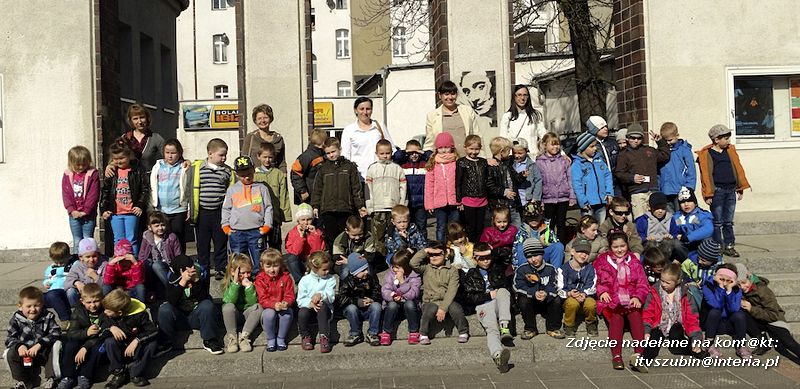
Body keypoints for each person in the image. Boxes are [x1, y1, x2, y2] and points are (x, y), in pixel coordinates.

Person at [594, 232, 649, 371]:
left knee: (635, 315)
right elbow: (597, 280)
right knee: (616, 318)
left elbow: (642, 284)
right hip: (612, 299)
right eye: (616, 247)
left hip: (630, 298)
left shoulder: (634, 262)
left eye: (622, 246)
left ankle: (639, 355)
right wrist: (602, 291)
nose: (619, 250)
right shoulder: (602, 261)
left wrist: (637, 297)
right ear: (610, 247)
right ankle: (616, 356)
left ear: (627, 245)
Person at [696, 124, 751, 257]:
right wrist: (708, 194)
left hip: (731, 190)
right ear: (716, 140)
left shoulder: (730, 151)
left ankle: (729, 245)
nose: (728, 141)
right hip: (717, 192)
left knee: (728, 221)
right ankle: (717, 245)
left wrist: (740, 188)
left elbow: (738, 169)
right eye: (725, 138)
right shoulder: (707, 154)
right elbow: (706, 176)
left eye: (728, 138)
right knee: (717, 221)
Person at [185, 138, 234, 280]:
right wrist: (190, 208)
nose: (224, 158)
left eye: (225, 155)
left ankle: (220, 267)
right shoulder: (198, 168)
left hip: (219, 212)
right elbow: (190, 189)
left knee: (220, 241)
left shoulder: (227, 171)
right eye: (221, 155)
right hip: (202, 212)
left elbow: (229, 190)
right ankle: (203, 267)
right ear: (210, 153)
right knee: (202, 243)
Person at [460, 243, 513, 373]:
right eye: (482, 258)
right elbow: (469, 298)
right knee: (492, 330)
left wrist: (491, 251)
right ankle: (498, 355)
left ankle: (505, 327)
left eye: (488, 257)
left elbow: (507, 254)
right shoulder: (471, 274)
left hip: (500, 303)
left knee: (503, 291)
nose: (485, 261)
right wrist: (488, 295)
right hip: (483, 305)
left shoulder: (497, 267)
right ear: (475, 259)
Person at [157, 255, 223, 355]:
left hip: (197, 317)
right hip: (179, 318)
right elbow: (171, 301)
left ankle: (209, 340)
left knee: (207, 305)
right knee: (164, 309)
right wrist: (182, 282)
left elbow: (204, 298)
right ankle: (165, 341)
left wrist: (195, 281)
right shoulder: (172, 279)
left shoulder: (199, 274)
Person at [641, 263, 708, 362]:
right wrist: (646, 331)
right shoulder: (654, 292)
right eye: (662, 280)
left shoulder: (686, 295)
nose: (663, 284)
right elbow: (647, 313)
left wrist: (696, 338)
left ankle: (694, 350)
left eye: (667, 283)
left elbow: (692, 318)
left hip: (677, 325)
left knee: (676, 340)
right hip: (659, 326)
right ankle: (643, 360)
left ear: (677, 282)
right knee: (654, 339)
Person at [736, 263, 800, 364]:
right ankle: (763, 343)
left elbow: (773, 315)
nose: (742, 287)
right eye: (738, 285)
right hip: (759, 319)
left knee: (787, 343)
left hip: (774, 320)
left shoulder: (763, 290)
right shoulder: (740, 290)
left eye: (744, 282)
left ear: (749, 276)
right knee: (741, 314)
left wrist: (751, 308)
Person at [311, 137, 367, 250]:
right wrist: (315, 206)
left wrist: (360, 206)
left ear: (339, 150)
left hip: (345, 208)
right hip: (328, 209)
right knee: (330, 237)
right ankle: (333, 260)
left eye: (333, 151)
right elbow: (317, 189)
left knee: (344, 236)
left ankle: (345, 258)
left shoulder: (349, 167)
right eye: (328, 153)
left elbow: (356, 188)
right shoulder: (323, 169)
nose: (331, 155)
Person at [411, 241, 470, 345]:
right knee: (430, 309)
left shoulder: (452, 270)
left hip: (447, 301)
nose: (434, 257)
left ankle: (463, 331)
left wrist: (443, 308)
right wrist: (425, 251)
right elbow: (413, 263)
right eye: (431, 255)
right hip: (430, 301)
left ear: (445, 254)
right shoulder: (426, 268)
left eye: (438, 254)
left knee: (456, 309)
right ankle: (423, 333)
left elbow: (452, 290)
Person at [222, 155, 273, 273]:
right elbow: (226, 209)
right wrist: (225, 226)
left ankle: (258, 282)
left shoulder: (261, 188)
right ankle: (239, 282)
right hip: (237, 232)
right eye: (242, 174)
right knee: (238, 260)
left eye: (249, 173)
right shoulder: (232, 190)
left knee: (258, 259)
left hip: (257, 231)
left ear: (253, 170)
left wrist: (267, 225)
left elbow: (268, 208)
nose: (246, 177)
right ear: (236, 174)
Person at [5, 286, 62, 389]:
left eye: (36, 305)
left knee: (55, 345)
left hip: (42, 352)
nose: (33, 309)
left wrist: (40, 344)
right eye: (29, 306)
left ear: (42, 305)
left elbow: (56, 332)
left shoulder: (48, 316)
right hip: (25, 354)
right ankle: (24, 381)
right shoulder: (16, 319)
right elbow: (10, 338)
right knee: (10, 353)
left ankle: (51, 378)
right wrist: (20, 346)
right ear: (20, 306)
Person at [100, 289, 159, 388]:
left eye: (108, 311)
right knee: (109, 342)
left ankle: (136, 373)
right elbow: (102, 322)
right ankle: (119, 373)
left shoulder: (140, 314)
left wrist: (137, 340)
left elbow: (153, 331)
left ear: (119, 313)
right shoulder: (108, 312)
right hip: (120, 346)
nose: (105, 312)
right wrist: (110, 327)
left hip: (136, 347)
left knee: (152, 344)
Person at [100, 142, 149, 256]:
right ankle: (120, 263)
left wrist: (140, 205)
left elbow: (144, 189)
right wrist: (104, 209)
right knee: (118, 240)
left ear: (129, 155)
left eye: (122, 158)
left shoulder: (136, 170)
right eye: (115, 159)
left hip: (131, 212)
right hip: (115, 213)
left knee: (131, 239)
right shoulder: (112, 172)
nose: (119, 161)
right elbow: (105, 191)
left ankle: (134, 263)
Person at [614, 125, 671, 219]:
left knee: (655, 220)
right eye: (633, 138)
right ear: (627, 138)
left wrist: (660, 142)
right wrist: (632, 178)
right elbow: (619, 173)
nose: (636, 141)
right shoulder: (624, 155)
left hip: (653, 191)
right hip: (637, 193)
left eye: (639, 138)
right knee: (641, 220)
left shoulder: (649, 151)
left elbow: (665, 155)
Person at [514, 238, 563, 340]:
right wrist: (533, 293)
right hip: (531, 301)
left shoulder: (550, 269)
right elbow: (517, 286)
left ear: (542, 254)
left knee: (556, 300)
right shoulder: (522, 269)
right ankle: (530, 329)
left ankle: (552, 328)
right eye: (529, 257)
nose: (533, 259)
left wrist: (546, 293)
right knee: (522, 300)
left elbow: (554, 285)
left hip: (546, 301)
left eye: (536, 255)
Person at [57, 283, 104, 389]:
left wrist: (85, 347)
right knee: (70, 345)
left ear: (102, 299)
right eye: (89, 302)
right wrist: (86, 333)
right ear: (82, 302)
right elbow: (71, 333)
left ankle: (85, 376)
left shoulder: (105, 311)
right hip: (82, 339)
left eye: (96, 301)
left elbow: (105, 333)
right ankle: (68, 377)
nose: (93, 305)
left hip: (97, 341)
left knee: (97, 348)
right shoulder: (78, 311)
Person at [366, 139, 407, 258]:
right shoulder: (372, 168)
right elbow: (368, 189)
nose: (385, 156)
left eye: (387, 153)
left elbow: (403, 187)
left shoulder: (397, 168)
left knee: (394, 234)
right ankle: (380, 258)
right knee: (378, 235)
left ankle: (396, 257)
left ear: (391, 153)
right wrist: (370, 206)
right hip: (378, 208)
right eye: (382, 153)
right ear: (377, 154)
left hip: (393, 208)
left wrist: (402, 205)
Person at [149, 139, 188, 253]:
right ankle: (165, 258)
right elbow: (153, 185)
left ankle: (180, 260)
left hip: (178, 208)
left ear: (180, 153)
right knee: (163, 236)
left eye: (173, 153)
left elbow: (187, 187)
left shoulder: (183, 166)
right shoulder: (158, 166)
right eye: (167, 152)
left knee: (178, 236)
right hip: (162, 209)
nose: (170, 156)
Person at [536, 132, 575, 244]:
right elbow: (539, 182)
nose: (555, 147)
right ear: (545, 145)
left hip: (563, 197)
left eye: (557, 144)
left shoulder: (564, 160)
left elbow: (569, 178)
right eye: (552, 144)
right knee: (549, 224)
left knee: (561, 223)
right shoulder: (539, 162)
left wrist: (572, 196)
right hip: (548, 198)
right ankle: (549, 244)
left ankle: (561, 246)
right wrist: (541, 200)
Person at [341, 97, 395, 179]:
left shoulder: (379, 126)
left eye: (368, 109)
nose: (365, 112)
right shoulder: (349, 130)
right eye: (361, 109)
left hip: (381, 174)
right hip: (360, 177)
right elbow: (345, 156)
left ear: (372, 110)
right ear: (356, 110)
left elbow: (392, 148)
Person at [703, 264, 749, 358]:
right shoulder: (708, 286)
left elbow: (734, 308)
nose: (724, 283)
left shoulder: (736, 289)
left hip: (728, 323)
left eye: (728, 281)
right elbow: (716, 305)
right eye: (721, 279)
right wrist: (720, 288)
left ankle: (741, 346)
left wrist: (729, 291)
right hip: (713, 323)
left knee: (739, 315)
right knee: (714, 312)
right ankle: (709, 343)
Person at [220, 253, 262, 354]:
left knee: (258, 307)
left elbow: (253, 303)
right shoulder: (228, 284)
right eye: (241, 273)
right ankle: (233, 338)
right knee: (228, 307)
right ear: (233, 272)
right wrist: (235, 284)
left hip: (247, 315)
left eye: (248, 272)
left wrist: (248, 288)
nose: (246, 276)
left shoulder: (252, 283)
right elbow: (229, 301)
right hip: (234, 316)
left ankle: (244, 337)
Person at [424, 80, 481, 156]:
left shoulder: (467, 111)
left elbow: (477, 135)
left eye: (453, 94)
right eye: (446, 94)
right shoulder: (432, 115)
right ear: (440, 96)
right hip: (445, 160)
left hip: (467, 158)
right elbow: (430, 142)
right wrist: (428, 157)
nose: (450, 97)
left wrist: (483, 158)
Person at [338, 253, 383, 347]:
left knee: (377, 306)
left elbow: (377, 291)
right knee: (351, 308)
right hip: (354, 311)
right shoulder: (347, 282)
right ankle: (355, 333)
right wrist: (357, 302)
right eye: (363, 270)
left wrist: (372, 299)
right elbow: (342, 298)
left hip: (367, 310)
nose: (366, 272)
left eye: (367, 269)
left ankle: (372, 333)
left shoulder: (370, 279)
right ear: (354, 271)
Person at [255, 249, 296, 352]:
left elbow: (290, 294)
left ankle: (281, 338)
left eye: (275, 266)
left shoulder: (286, 278)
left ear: (280, 265)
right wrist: (273, 305)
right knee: (269, 314)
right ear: (262, 265)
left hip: (283, 305)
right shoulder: (260, 279)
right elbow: (262, 298)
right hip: (268, 307)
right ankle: (271, 338)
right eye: (268, 267)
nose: (272, 270)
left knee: (287, 314)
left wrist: (286, 302)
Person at [254, 142, 292, 250]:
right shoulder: (254, 175)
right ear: (258, 157)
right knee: (259, 246)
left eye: (270, 157)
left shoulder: (278, 174)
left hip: (274, 216)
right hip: (259, 217)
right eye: (264, 157)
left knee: (275, 244)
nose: (267, 160)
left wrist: (285, 215)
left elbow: (284, 195)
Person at [557, 238, 598, 337]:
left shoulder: (590, 268)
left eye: (586, 253)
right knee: (572, 304)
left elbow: (592, 285)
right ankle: (569, 325)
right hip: (569, 297)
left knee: (591, 304)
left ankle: (591, 324)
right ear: (572, 251)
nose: (583, 255)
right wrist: (569, 293)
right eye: (580, 251)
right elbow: (560, 288)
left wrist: (584, 293)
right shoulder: (563, 269)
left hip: (586, 296)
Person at [62, 146, 100, 254]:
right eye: (77, 164)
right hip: (73, 214)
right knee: (77, 240)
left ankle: (90, 261)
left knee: (88, 239)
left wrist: (86, 210)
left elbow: (94, 194)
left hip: (88, 214)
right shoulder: (67, 175)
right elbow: (66, 194)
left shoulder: (92, 174)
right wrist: (71, 209)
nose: (80, 167)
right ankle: (76, 263)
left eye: (84, 164)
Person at [297, 251, 336, 353]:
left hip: (324, 311)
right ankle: (305, 336)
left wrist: (321, 295)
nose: (327, 271)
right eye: (324, 270)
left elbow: (331, 297)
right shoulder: (305, 280)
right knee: (302, 312)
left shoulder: (331, 279)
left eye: (328, 269)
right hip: (310, 311)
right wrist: (310, 303)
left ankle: (324, 337)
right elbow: (300, 300)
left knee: (322, 306)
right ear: (315, 268)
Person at [424, 132, 461, 242]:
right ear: (436, 149)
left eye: (446, 147)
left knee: (455, 227)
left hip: (455, 202)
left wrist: (461, 200)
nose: (444, 150)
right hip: (439, 202)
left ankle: (455, 247)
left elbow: (460, 183)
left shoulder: (457, 163)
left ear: (452, 147)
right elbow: (429, 186)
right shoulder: (433, 164)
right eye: (441, 148)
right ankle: (441, 247)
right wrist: (429, 204)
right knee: (441, 227)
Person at [380, 250, 422, 346]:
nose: (395, 269)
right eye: (393, 266)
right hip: (395, 306)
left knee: (410, 304)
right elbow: (385, 290)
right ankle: (386, 332)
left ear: (406, 267)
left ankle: (413, 331)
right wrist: (393, 296)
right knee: (392, 305)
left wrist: (402, 282)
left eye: (397, 267)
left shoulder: (415, 276)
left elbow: (413, 294)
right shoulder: (390, 275)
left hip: (410, 308)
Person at [571, 132, 613, 224]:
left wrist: (609, 193)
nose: (595, 148)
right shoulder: (577, 164)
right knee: (588, 227)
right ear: (583, 148)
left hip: (602, 201)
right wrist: (583, 201)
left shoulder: (599, 160)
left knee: (601, 226)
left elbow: (607, 175)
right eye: (592, 146)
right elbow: (577, 184)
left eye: (595, 145)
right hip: (588, 204)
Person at [455, 135, 490, 243]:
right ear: (465, 148)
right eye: (471, 149)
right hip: (468, 200)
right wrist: (459, 200)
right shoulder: (461, 162)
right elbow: (458, 182)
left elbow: (487, 180)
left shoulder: (483, 162)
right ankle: (470, 246)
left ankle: (478, 246)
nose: (474, 152)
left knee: (480, 226)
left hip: (482, 201)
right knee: (470, 227)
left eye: (476, 149)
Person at [393, 139, 430, 238]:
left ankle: (422, 245)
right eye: (411, 153)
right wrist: (405, 151)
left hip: (421, 203)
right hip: (407, 202)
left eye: (416, 152)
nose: (414, 155)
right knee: (408, 225)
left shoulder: (424, 165)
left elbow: (432, 156)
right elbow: (396, 156)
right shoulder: (403, 164)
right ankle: (409, 245)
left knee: (421, 226)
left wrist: (421, 152)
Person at [657, 122, 696, 212]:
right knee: (669, 217)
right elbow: (658, 171)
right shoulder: (662, 151)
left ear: (677, 136)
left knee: (681, 215)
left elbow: (691, 170)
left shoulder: (684, 150)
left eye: (670, 140)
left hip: (681, 189)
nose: (668, 143)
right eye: (665, 140)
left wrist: (689, 187)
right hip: (665, 189)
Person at [634, 192, 683, 262]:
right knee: (651, 244)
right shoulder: (643, 219)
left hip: (665, 243)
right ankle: (653, 263)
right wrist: (645, 238)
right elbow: (639, 234)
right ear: (650, 207)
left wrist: (671, 236)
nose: (660, 211)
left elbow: (675, 231)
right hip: (650, 243)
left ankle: (665, 262)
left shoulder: (670, 218)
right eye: (657, 208)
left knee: (672, 244)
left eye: (663, 208)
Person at [138, 212, 181, 290]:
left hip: (168, 265)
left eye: (163, 225)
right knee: (146, 263)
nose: (160, 228)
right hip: (153, 265)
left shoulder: (172, 237)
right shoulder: (146, 237)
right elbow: (142, 255)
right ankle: (150, 290)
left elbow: (178, 255)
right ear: (150, 227)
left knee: (157, 265)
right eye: (157, 226)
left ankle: (172, 289)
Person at [283, 203, 325, 283]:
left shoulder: (317, 232)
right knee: (291, 258)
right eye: (303, 220)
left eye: (309, 219)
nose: (306, 222)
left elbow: (319, 251)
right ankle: (300, 282)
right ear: (298, 220)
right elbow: (295, 252)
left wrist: (315, 235)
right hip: (300, 262)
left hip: (312, 261)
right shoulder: (292, 233)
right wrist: (301, 237)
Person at [513, 204, 564, 269]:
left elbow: (555, 242)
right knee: (520, 247)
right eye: (530, 217)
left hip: (543, 254)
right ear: (525, 217)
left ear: (541, 216)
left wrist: (544, 243)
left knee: (559, 246)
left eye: (536, 216)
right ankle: (524, 272)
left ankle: (555, 272)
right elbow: (515, 249)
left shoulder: (546, 227)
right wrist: (515, 265)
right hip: (529, 256)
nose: (533, 219)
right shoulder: (522, 229)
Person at [118, 104, 165, 173]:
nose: (139, 122)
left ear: (147, 118)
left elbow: (170, 155)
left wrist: (184, 162)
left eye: (142, 117)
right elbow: (116, 157)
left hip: (149, 180)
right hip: (129, 180)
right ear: (131, 121)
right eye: (135, 118)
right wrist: (111, 165)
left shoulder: (155, 138)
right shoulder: (125, 138)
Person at [486, 137, 523, 226]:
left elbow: (515, 177)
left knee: (517, 228)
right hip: (500, 206)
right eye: (508, 151)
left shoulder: (508, 163)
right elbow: (489, 185)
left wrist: (522, 175)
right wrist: (504, 192)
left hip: (513, 204)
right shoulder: (491, 166)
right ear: (502, 151)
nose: (510, 154)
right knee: (502, 229)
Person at [500, 85, 546, 155]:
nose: (522, 98)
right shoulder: (507, 116)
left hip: (532, 157)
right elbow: (503, 140)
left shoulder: (535, 115)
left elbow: (545, 136)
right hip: (515, 158)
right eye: (519, 95)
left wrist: (561, 154)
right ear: (514, 97)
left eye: (525, 95)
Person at [242, 104, 287, 173]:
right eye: (259, 118)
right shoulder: (251, 137)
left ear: (271, 119)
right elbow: (243, 160)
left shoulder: (278, 139)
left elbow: (282, 162)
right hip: (255, 178)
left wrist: (283, 177)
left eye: (265, 117)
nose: (262, 121)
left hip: (273, 178)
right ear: (255, 121)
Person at [673, 187, 714, 260]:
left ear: (695, 203)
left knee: (708, 241)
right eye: (682, 202)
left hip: (699, 244)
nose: (686, 204)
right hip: (685, 247)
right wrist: (676, 235)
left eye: (689, 201)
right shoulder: (677, 216)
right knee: (675, 244)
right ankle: (686, 263)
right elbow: (673, 228)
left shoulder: (701, 215)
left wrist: (688, 238)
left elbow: (708, 228)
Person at [65, 238, 107, 307]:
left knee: (106, 288)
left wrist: (96, 277)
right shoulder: (77, 266)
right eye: (88, 257)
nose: (91, 260)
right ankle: (77, 310)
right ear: (81, 257)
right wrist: (76, 282)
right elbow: (66, 282)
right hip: (84, 297)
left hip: (98, 296)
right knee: (71, 292)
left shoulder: (104, 265)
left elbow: (108, 285)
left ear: (98, 255)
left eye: (94, 256)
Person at [290, 128, 328, 205]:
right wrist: (302, 191)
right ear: (323, 142)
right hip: (309, 196)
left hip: (320, 196)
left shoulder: (324, 155)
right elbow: (295, 173)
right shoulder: (307, 156)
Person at [42, 242, 73, 327]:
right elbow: (47, 278)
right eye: (56, 262)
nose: (59, 264)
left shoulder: (72, 265)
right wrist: (46, 283)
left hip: (63, 291)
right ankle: (42, 322)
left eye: (62, 262)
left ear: (68, 256)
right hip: (52, 291)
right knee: (36, 297)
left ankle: (65, 319)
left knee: (52, 295)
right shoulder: (51, 268)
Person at [584, 115, 619, 183]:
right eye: (601, 127)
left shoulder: (613, 143)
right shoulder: (588, 146)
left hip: (615, 182)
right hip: (599, 183)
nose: (605, 129)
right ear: (594, 130)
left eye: (606, 126)